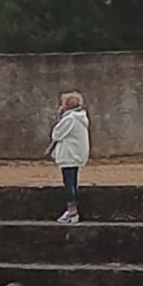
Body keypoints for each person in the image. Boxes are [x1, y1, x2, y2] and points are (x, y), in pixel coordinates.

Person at [50, 91, 91, 224]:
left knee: (69, 184)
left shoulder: (70, 119)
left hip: (69, 156)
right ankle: (72, 211)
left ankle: (72, 212)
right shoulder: (80, 117)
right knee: (73, 183)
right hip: (76, 155)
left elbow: (56, 134)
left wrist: (60, 116)